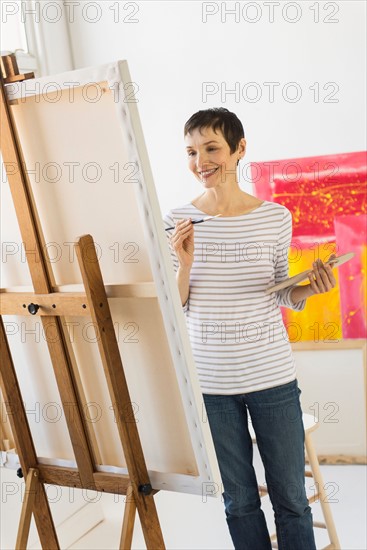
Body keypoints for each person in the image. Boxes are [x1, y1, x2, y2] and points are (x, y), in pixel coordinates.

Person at [163, 107, 336, 550]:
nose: (201, 160)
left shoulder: (275, 217)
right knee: (238, 501)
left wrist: (310, 289)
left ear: (240, 149)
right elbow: (174, 306)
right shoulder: (176, 220)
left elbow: (280, 292)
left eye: (211, 148)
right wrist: (183, 264)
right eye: (191, 151)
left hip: (272, 379)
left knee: (292, 500)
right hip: (211, 384)